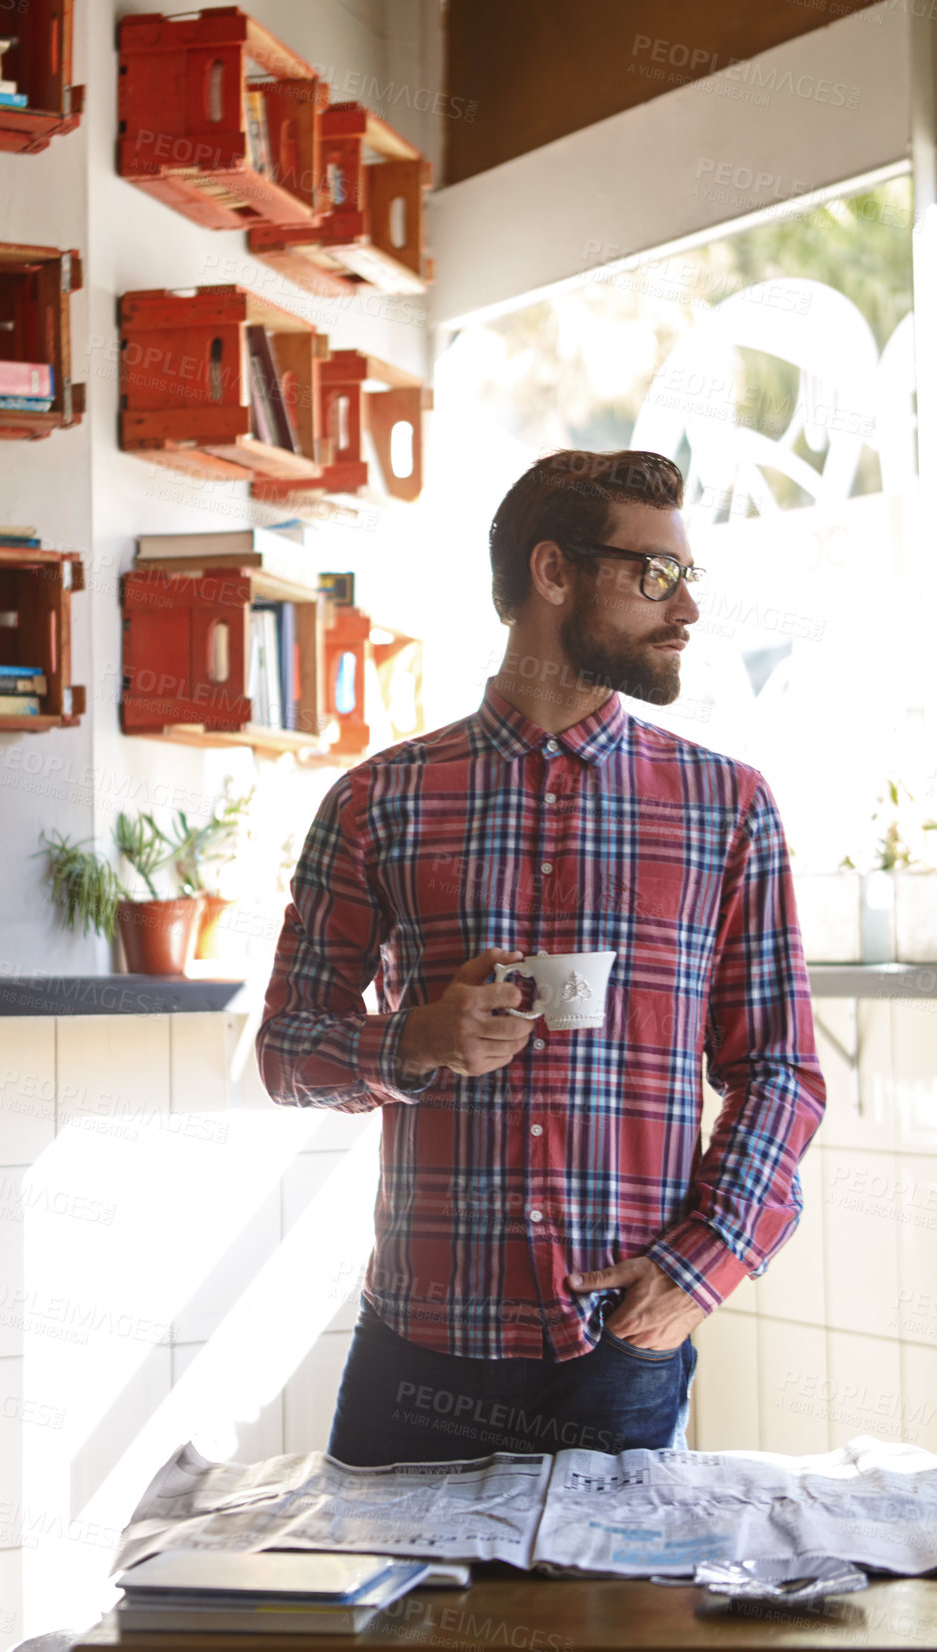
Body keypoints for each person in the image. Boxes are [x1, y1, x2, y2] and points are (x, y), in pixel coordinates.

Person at [255, 448, 826, 1465]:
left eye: (687, 576)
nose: (686, 606)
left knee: (607, 1631)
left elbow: (777, 1071)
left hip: (617, 1354)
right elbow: (288, 1053)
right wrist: (413, 1039)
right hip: (414, 1356)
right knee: (375, 1627)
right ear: (552, 573)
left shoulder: (726, 809)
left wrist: (705, 1263)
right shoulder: (376, 800)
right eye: (655, 575)